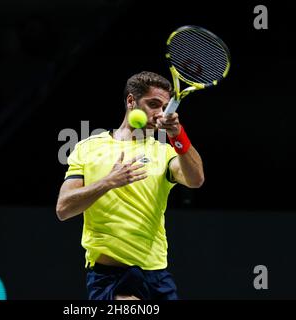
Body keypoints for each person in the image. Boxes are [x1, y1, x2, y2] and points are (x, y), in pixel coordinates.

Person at [56, 71, 205, 300]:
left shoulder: (165, 152)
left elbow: (196, 180)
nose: (160, 113)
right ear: (130, 101)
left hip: (156, 273)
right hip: (110, 277)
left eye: (165, 107)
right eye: (153, 104)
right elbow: (64, 208)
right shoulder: (87, 148)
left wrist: (178, 134)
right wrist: (108, 182)